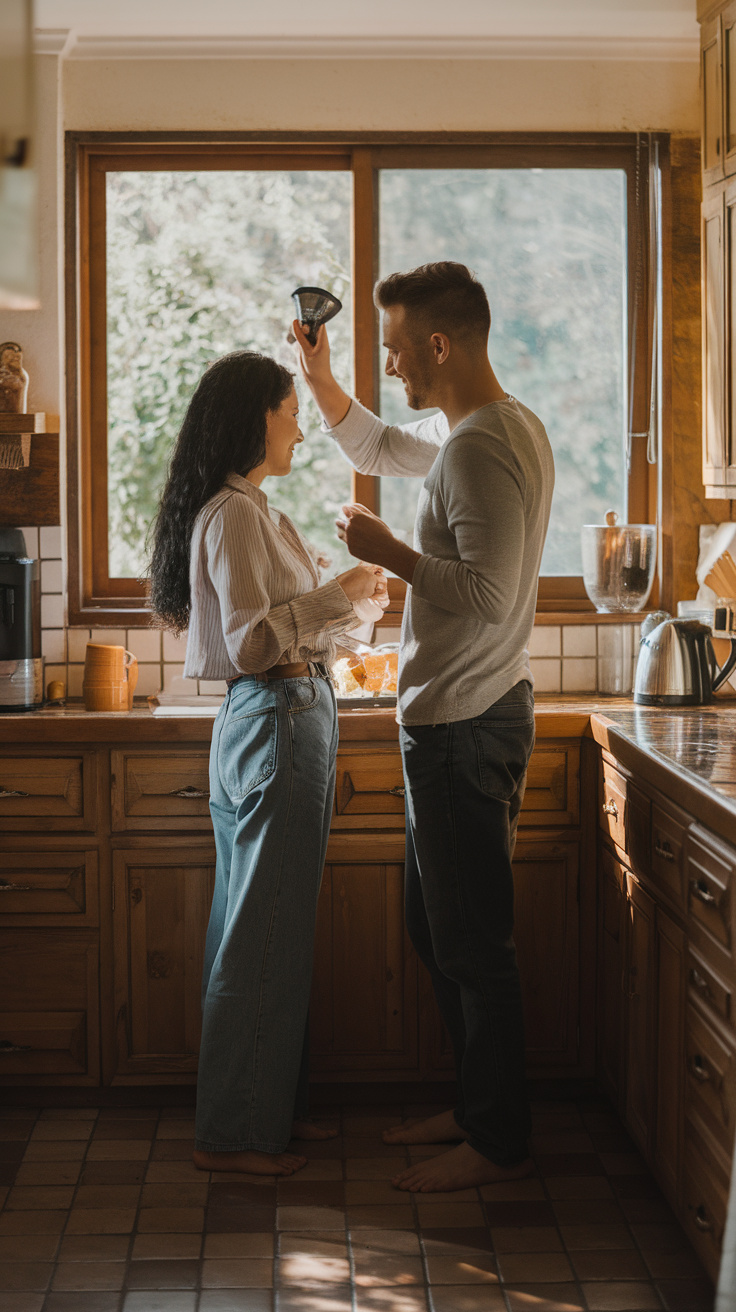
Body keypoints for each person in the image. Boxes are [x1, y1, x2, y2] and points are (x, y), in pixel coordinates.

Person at [293, 262, 554, 1193]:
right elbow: (387, 446)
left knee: (474, 943)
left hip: (463, 725)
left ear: (439, 344)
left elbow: (484, 596)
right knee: (437, 923)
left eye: (399, 348)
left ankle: (497, 1142)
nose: (393, 365)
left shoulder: (479, 451)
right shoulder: (490, 427)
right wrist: (322, 383)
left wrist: (390, 554)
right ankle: (477, 1103)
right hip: (467, 717)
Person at [148, 350, 388, 1176]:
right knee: (263, 930)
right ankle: (238, 1134)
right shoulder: (238, 514)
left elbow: (292, 631)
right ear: (258, 415)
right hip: (278, 720)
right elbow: (255, 643)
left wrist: (356, 603)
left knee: (257, 926)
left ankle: (266, 1110)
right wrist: (341, 593)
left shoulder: (247, 510)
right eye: (292, 409)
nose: (299, 426)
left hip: (275, 718)